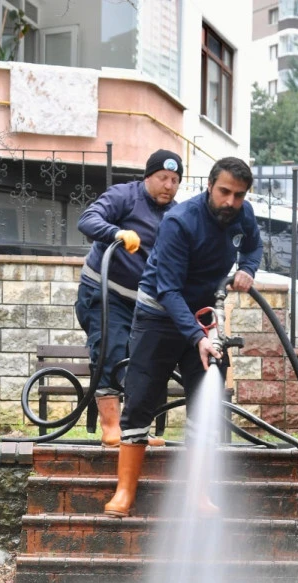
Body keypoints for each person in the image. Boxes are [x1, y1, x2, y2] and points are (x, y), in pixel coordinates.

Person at [104, 156, 263, 517]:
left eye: (238, 195)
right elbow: (169, 290)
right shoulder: (180, 221)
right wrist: (197, 337)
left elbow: (253, 246)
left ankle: (197, 494)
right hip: (159, 315)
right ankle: (125, 491)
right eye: (224, 192)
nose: (230, 202)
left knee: (206, 401)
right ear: (209, 186)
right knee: (142, 397)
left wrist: (248, 269)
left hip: (204, 317)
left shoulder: (243, 214)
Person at [76, 149, 184, 445]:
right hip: (102, 293)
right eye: (163, 177)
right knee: (110, 352)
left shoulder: (177, 215)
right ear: (149, 176)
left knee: (141, 363)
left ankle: (135, 431)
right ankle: (112, 429)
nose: (168, 185)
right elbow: (87, 220)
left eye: (175, 180)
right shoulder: (124, 196)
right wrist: (116, 233)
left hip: (142, 303)